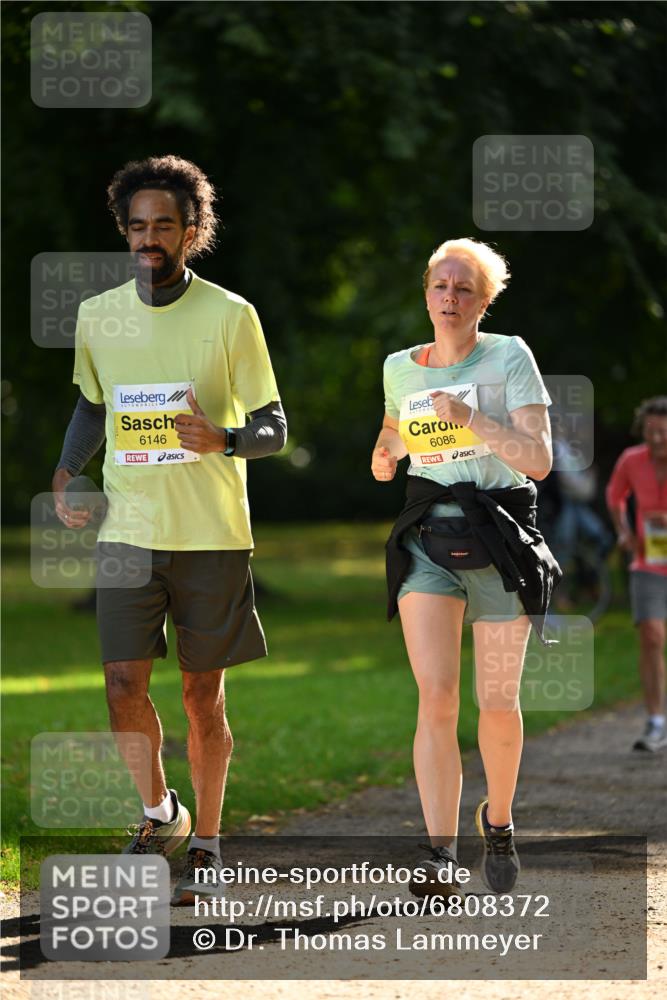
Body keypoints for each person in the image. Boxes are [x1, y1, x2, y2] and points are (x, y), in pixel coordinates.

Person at [51, 155, 287, 904]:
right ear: (125, 232)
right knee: (122, 684)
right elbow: (94, 403)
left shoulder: (231, 316)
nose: (149, 237)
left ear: (192, 230)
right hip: (130, 527)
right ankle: (161, 813)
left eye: (164, 225)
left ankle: (210, 844)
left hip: (211, 532)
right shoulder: (99, 315)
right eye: (138, 226)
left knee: (200, 696)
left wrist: (223, 439)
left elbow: (273, 426)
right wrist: (67, 469)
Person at [372, 237, 556, 897]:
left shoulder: (508, 356)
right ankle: (439, 853)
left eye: (463, 290)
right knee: (437, 695)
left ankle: (497, 823)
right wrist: (385, 453)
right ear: (425, 293)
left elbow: (537, 460)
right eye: (439, 286)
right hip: (426, 536)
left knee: (497, 702)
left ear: (483, 302)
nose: (449, 299)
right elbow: (394, 431)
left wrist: (472, 418)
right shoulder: (399, 365)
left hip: (501, 537)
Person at [606, 396, 667, 752]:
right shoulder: (632, 460)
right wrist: (624, 530)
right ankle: (656, 720)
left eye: (662, 432)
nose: (656, 438)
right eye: (650, 431)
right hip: (648, 562)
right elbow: (614, 495)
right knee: (652, 636)